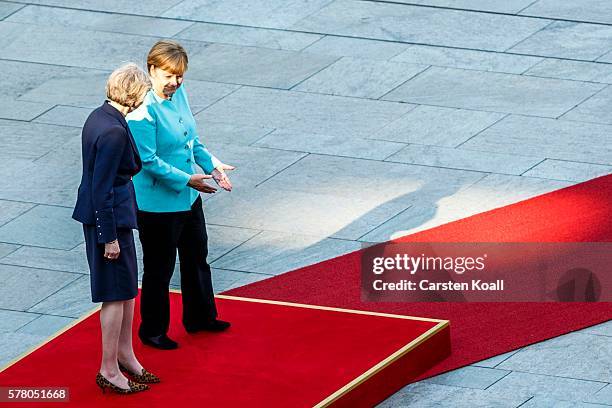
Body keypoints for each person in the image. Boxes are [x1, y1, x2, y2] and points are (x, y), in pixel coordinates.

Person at [127, 40, 235, 350]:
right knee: (160, 269)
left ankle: (201, 316)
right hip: (159, 204)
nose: (175, 82)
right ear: (152, 71)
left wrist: (211, 165)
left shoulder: (179, 94)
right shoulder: (142, 112)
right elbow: (147, 162)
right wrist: (189, 179)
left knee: (196, 257)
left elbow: (191, 139)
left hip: (189, 196)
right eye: (168, 76)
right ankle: (153, 330)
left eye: (180, 76)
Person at [72, 63, 160, 394]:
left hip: (116, 218)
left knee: (126, 291)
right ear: (134, 94)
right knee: (114, 295)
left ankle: (125, 355)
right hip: (108, 222)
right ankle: (109, 368)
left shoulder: (101, 116)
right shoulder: (112, 131)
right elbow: (102, 187)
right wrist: (108, 237)